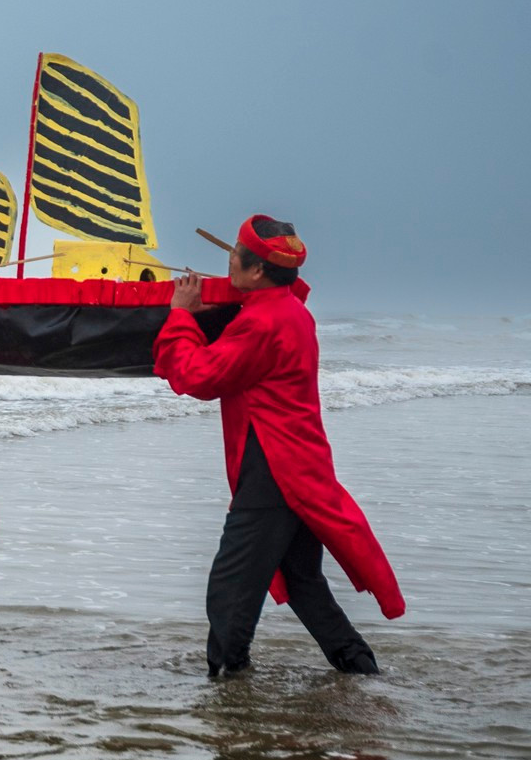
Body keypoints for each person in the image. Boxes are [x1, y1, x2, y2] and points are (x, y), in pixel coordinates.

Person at [156, 215, 402, 677]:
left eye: (234, 257)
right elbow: (235, 358)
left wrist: (180, 315)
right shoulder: (290, 311)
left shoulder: (263, 322)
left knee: (230, 586)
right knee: (304, 581)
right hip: (300, 466)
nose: (227, 262)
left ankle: (229, 680)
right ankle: (360, 668)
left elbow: (201, 377)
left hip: (274, 468)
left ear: (256, 272)